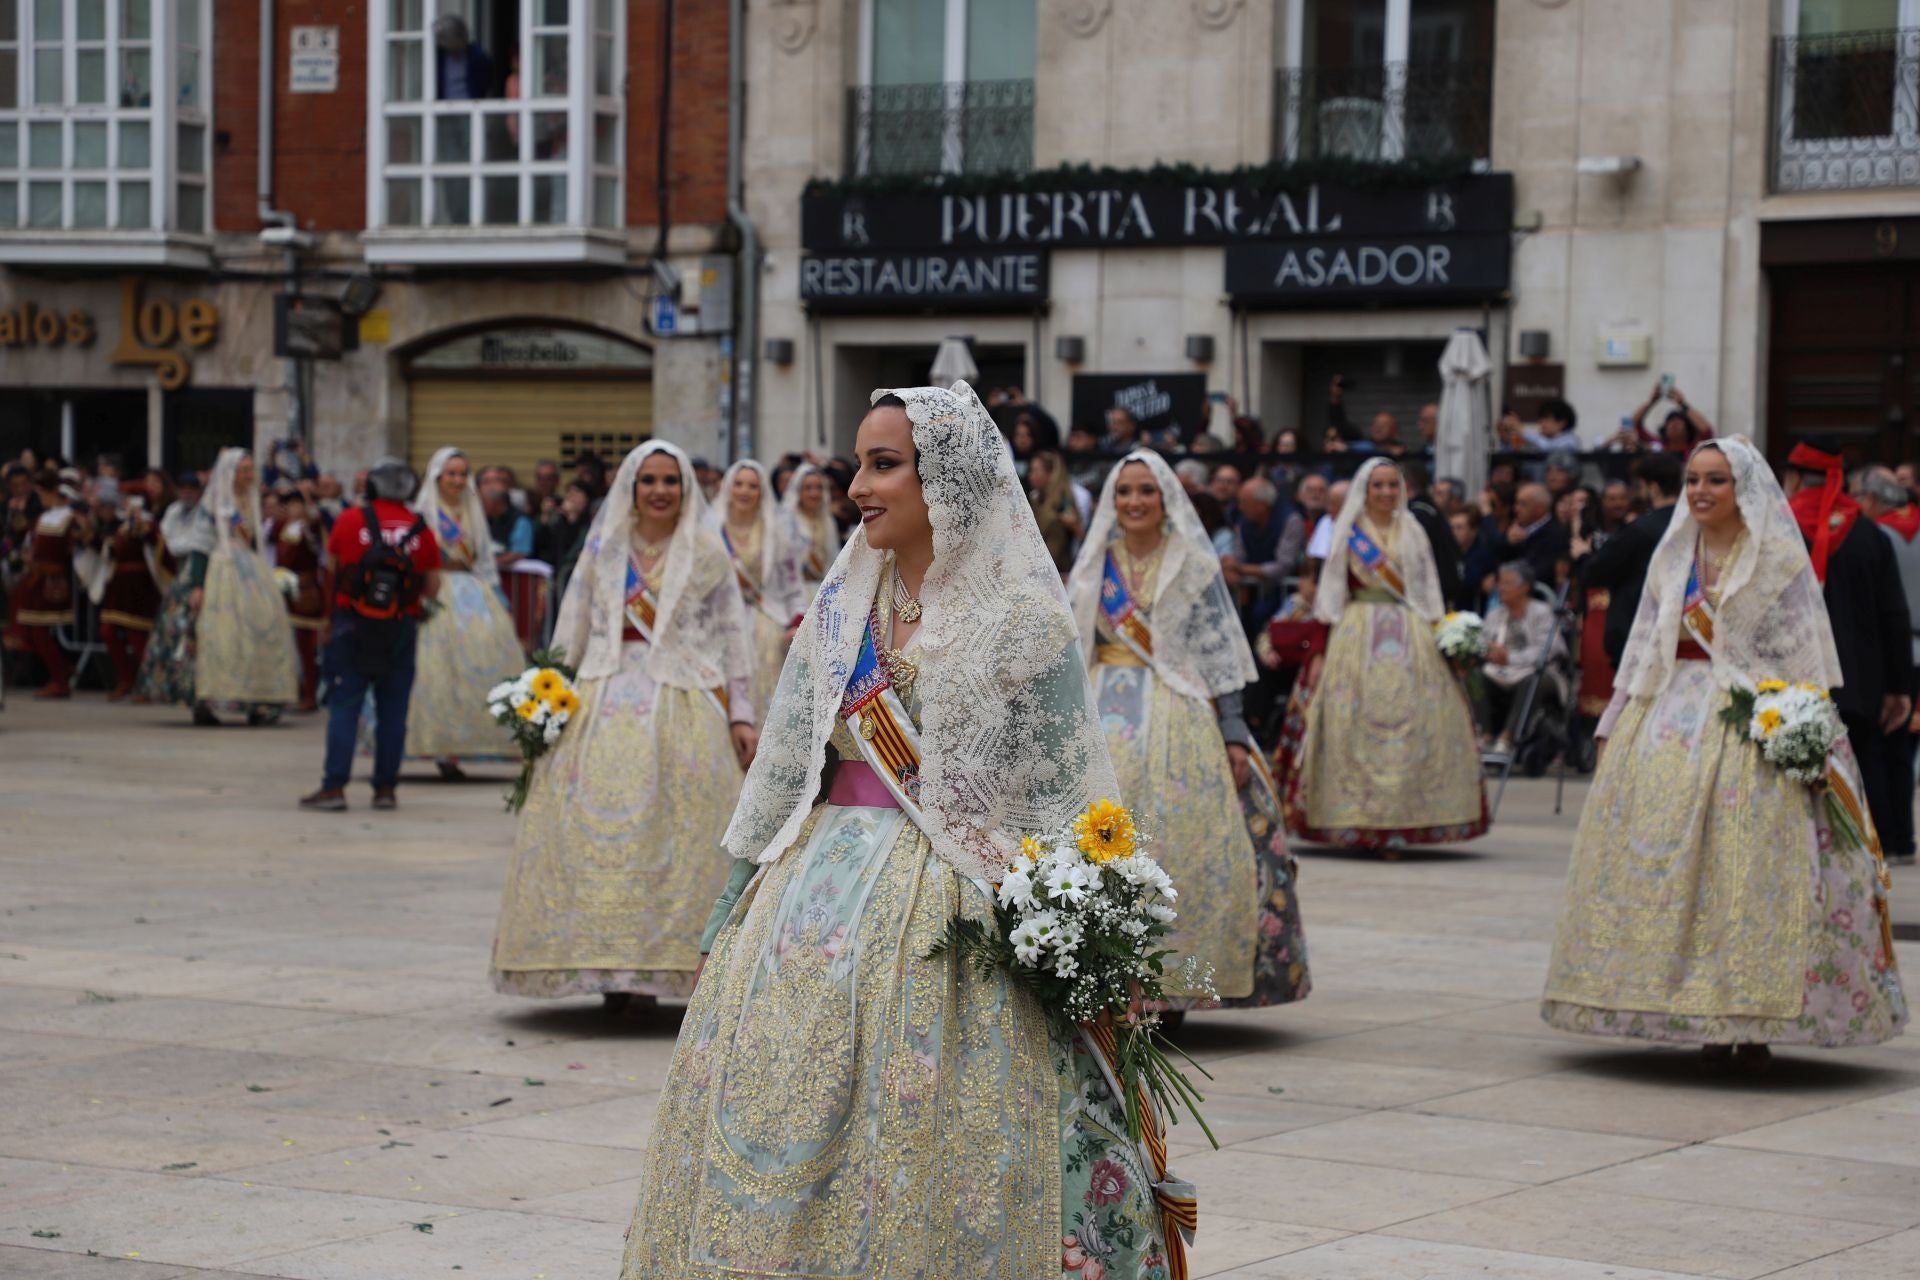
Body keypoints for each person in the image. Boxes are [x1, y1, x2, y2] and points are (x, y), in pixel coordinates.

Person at [621, 384, 1185, 1280]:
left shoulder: (1023, 618)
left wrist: (1090, 947)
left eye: (884, 465)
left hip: (957, 911)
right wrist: (730, 905)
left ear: (948, 481)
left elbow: (1064, 790)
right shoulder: (842, 609)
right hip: (811, 907)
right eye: (858, 465)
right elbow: (783, 767)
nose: (857, 488)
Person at [1542, 438, 1907, 1061]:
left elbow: (1802, 657)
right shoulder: (1670, 556)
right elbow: (1642, 647)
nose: (1701, 492)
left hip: (1751, 727)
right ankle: (1679, 1005)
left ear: (1743, 489)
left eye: (1716, 480)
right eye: (1692, 480)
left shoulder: (1776, 559)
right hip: (1667, 720)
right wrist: (1615, 724)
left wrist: (1807, 732)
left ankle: (1751, 1012)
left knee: (1749, 872)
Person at [491, 441, 757, 1003]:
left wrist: (742, 714)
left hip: (684, 699)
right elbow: (572, 625)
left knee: (679, 833)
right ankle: (605, 970)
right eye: (649, 480)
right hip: (599, 695)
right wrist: (547, 702)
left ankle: (664, 970)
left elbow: (734, 637)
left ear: (684, 489)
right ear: (631, 489)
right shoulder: (604, 549)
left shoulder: (707, 552)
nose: (660, 490)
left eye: (670, 481)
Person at [1068, 449, 1311, 1009]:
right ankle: (1105, 977)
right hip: (1104, 714)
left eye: (1146, 491)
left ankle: (1172, 984)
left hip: (1182, 717)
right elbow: (1073, 649)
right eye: (1124, 491)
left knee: (1185, 841)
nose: (1134, 502)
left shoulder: (1194, 565)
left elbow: (1218, 654)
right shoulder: (1093, 565)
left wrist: (1232, 734)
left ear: (1166, 499)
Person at [1279, 457, 1488, 852]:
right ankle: (1352, 818)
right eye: (1378, 485)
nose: (1386, 492)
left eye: (1393, 484)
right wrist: (1320, 649)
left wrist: (1443, 635)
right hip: (1355, 632)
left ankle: (1408, 819)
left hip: (1411, 633)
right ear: (1365, 489)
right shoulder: (1349, 532)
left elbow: (1428, 588)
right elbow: (1331, 594)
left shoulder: (1414, 530)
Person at [1781, 442, 1915, 865]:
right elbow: (1894, 613)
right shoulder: (1869, 534)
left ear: (1795, 477)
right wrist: (1899, 688)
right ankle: (1862, 853)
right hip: (1859, 678)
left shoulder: (1775, 528)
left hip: (1788, 677)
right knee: (1861, 762)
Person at [301, 459, 442, 812]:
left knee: (345, 707)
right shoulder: (421, 529)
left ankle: (334, 788)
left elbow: (332, 570)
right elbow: (433, 587)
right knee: (393, 713)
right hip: (400, 627)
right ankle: (385, 789)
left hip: (352, 625)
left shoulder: (350, 520)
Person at [400, 448, 529, 775]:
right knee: (437, 669)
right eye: (451, 474)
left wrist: (499, 599)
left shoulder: (473, 512)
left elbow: (484, 558)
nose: (457, 480)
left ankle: (474, 742)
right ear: (437, 477)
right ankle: (438, 746)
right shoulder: (425, 512)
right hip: (435, 591)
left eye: (462, 473)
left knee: (483, 663)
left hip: (472, 592)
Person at [177, 450, 300, 724]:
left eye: (250, 470)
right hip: (222, 568)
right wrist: (198, 585)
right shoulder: (215, 502)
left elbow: (255, 537)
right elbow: (200, 544)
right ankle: (207, 701)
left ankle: (260, 700)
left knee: (262, 630)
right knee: (220, 636)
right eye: (244, 470)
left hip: (250, 571)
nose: (249, 475)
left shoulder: (252, 500)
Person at [709, 459, 808, 723]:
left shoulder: (775, 533)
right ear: (728, 488)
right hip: (719, 622)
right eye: (738, 484)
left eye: (752, 486)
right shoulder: (709, 532)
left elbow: (793, 586)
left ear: (761, 492)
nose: (744, 491)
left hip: (764, 620)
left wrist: (797, 620)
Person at [1857, 466, 1920, 865]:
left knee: (1886, 744)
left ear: (1874, 500)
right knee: (1907, 745)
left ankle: (1891, 836)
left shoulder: (1872, 537)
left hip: (1891, 650)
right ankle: (1906, 839)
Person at [1583, 452, 1682, 671]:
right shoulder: (1692, 524)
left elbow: (1596, 572)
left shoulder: (1640, 530)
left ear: (1653, 487)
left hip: (1638, 633)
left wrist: (1583, 555)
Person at [7, 469, 82, 698]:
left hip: (52, 581)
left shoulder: (69, 518)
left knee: (39, 631)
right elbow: (28, 539)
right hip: (35, 578)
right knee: (31, 630)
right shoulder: (43, 517)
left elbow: (77, 547)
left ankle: (60, 677)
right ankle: (60, 671)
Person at [1478, 561, 1561, 756]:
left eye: (1507, 583)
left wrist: (1510, 658)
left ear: (1525, 588)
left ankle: (1508, 737)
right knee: (1474, 676)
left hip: (1535, 670)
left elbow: (1547, 650)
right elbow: (1481, 642)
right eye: (1500, 583)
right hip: (1500, 670)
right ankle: (1485, 734)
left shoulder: (1541, 612)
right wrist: (1488, 651)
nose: (1501, 588)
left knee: (1533, 682)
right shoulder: (1495, 614)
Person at [90, 485, 158, 702]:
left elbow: (155, 545)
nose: (127, 504)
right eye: (126, 500)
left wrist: (141, 526)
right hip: (119, 585)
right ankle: (127, 677)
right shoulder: (122, 527)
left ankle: (146, 685)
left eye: (132, 500)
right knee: (107, 631)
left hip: (139, 586)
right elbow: (113, 551)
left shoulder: (148, 523)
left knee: (137, 636)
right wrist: (92, 540)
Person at [273, 488, 327, 712]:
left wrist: (307, 500)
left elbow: (316, 526)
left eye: (297, 504)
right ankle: (290, 691)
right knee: (287, 645)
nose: (292, 509)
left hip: (305, 591)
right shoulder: (282, 528)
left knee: (307, 646)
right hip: (284, 589)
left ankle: (310, 695)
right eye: (290, 505)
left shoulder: (309, 529)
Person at [1402, 460, 1465, 611]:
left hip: (1428, 599)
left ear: (1405, 485)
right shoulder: (1431, 510)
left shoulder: (1417, 516)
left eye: (1393, 484)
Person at [780, 461, 843, 589]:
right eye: (808, 488)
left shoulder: (828, 521)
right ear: (799, 491)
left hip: (823, 588)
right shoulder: (787, 521)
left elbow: (834, 558)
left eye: (818, 488)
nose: (814, 493)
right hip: (794, 591)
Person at [1027, 448, 1082, 574]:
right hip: (1035, 563)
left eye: (1035, 471)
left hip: (1057, 569)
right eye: (1030, 471)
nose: (1031, 476)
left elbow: (1076, 530)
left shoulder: (1062, 502)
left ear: (1050, 474)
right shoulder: (1035, 499)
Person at [1507, 481, 1570, 586]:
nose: (1516, 508)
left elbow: (1541, 572)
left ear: (1540, 508)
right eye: (1516, 503)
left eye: (1523, 504)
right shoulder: (1515, 529)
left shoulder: (1556, 534)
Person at [477, 466, 534, 569]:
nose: (492, 486)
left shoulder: (520, 520)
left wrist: (488, 564)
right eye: (486, 482)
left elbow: (519, 553)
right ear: (478, 489)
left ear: (506, 487)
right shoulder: (473, 518)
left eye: (497, 481)